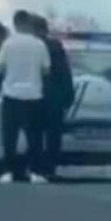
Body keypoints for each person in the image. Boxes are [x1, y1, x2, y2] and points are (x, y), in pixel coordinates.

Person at [0, 10, 50, 183]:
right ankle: (35, 172)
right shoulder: (39, 44)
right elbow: (46, 70)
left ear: (15, 24)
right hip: (33, 95)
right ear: (29, 24)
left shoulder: (8, 44)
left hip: (11, 95)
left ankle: (8, 172)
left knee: (9, 136)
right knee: (34, 137)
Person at [31, 15, 74, 180]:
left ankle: (36, 167)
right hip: (54, 96)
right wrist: (68, 96)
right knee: (53, 136)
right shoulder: (55, 46)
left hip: (35, 95)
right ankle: (50, 168)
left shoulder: (34, 46)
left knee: (34, 133)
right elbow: (64, 72)